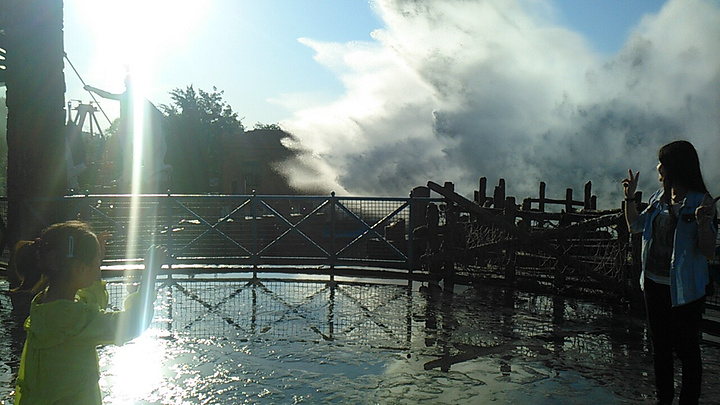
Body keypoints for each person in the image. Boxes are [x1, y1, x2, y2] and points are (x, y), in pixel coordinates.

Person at [11, 220, 165, 404]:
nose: (99, 263)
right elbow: (133, 323)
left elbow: (90, 301)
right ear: (80, 268)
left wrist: (93, 258)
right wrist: (150, 275)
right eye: (96, 260)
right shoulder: (74, 320)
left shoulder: (44, 307)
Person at [623, 140, 718, 405]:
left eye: (663, 163)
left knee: (687, 350)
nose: (658, 168)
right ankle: (663, 400)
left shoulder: (703, 202)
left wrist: (702, 223)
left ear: (676, 167)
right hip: (654, 284)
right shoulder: (658, 199)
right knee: (660, 349)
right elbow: (635, 226)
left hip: (686, 290)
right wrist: (630, 197)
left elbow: (708, 250)